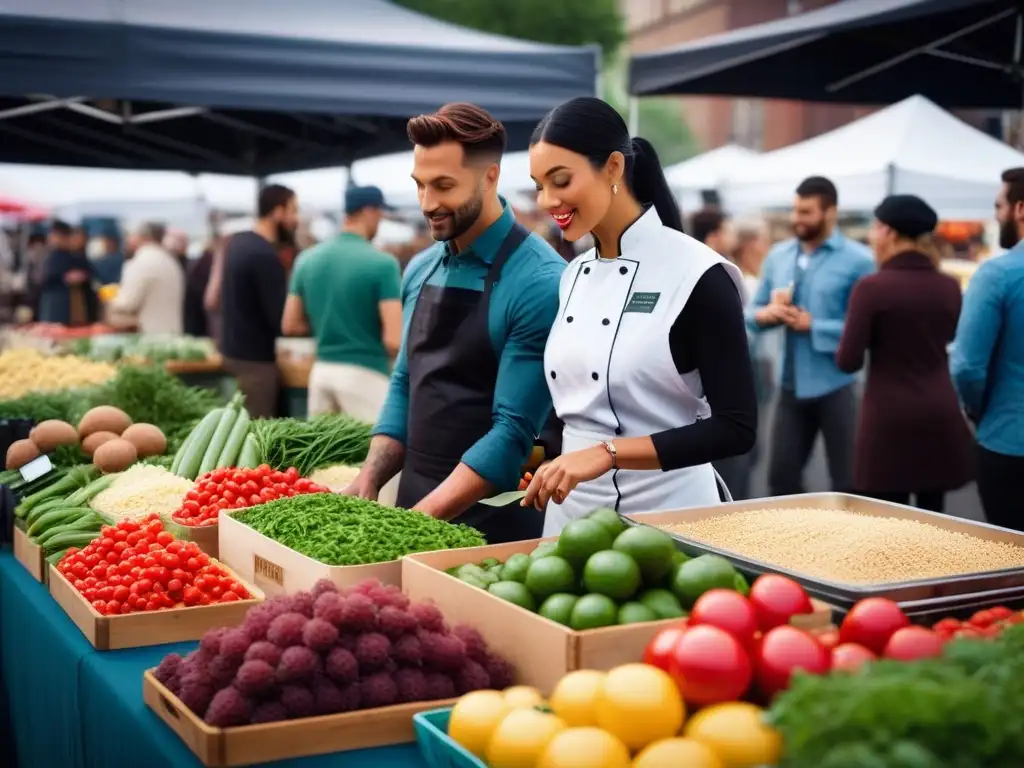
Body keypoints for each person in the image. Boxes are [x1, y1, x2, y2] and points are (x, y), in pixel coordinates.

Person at [521, 96, 757, 532]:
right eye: (538, 184)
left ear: (613, 168)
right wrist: (542, 451)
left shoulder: (699, 274)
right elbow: (576, 403)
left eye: (560, 180)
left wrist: (606, 453)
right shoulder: (572, 275)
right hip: (570, 522)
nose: (546, 200)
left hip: (670, 520)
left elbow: (735, 428)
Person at [344, 102, 565, 542]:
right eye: (420, 185)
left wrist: (411, 526)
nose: (427, 203)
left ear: (490, 177)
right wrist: (370, 478)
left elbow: (513, 433)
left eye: (443, 185)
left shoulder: (541, 281)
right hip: (414, 502)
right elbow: (406, 381)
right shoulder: (419, 268)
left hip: (493, 523)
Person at [836, 195, 973, 512]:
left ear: (889, 232)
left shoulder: (871, 287)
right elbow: (951, 338)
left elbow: (848, 361)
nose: (872, 234)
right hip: (940, 412)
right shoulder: (949, 286)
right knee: (935, 522)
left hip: (889, 419)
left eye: (876, 227)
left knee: (891, 525)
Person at [749, 176, 874, 495]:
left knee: (848, 484)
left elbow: (868, 328)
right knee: (780, 479)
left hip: (838, 385)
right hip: (789, 386)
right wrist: (767, 315)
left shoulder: (860, 261)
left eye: (806, 212)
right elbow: (750, 312)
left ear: (830, 212)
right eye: (795, 210)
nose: (796, 219)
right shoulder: (778, 255)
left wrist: (814, 325)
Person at [282, 185, 403, 422]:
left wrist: (329, 325)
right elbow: (393, 340)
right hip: (366, 374)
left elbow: (290, 324)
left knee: (322, 456)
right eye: (380, 213)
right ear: (368, 211)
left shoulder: (306, 259)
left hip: (321, 374)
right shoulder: (383, 263)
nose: (380, 220)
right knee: (376, 455)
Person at [952, 168, 1024, 530]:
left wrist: (980, 411)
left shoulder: (997, 275)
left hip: (1010, 441)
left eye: (1000, 206)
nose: (997, 216)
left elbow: (966, 367)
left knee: (1014, 565)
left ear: (1020, 209)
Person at [219, 185, 297, 418]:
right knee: (257, 437)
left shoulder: (237, 243)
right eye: (293, 210)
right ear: (277, 211)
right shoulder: (264, 255)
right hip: (257, 364)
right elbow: (279, 319)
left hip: (233, 354)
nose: (296, 219)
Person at [109, 222, 185, 335]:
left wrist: (108, 299)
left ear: (143, 237)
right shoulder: (169, 259)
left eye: (131, 235)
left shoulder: (142, 261)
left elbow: (126, 303)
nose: (128, 240)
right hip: (171, 333)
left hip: (150, 337)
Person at [37, 220, 98, 326]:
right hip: (54, 303)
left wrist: (82, 276)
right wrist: (64, 277)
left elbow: (90, 274)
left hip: (74, 305)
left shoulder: (76, 256)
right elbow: (44, 279)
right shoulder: (49, 256)